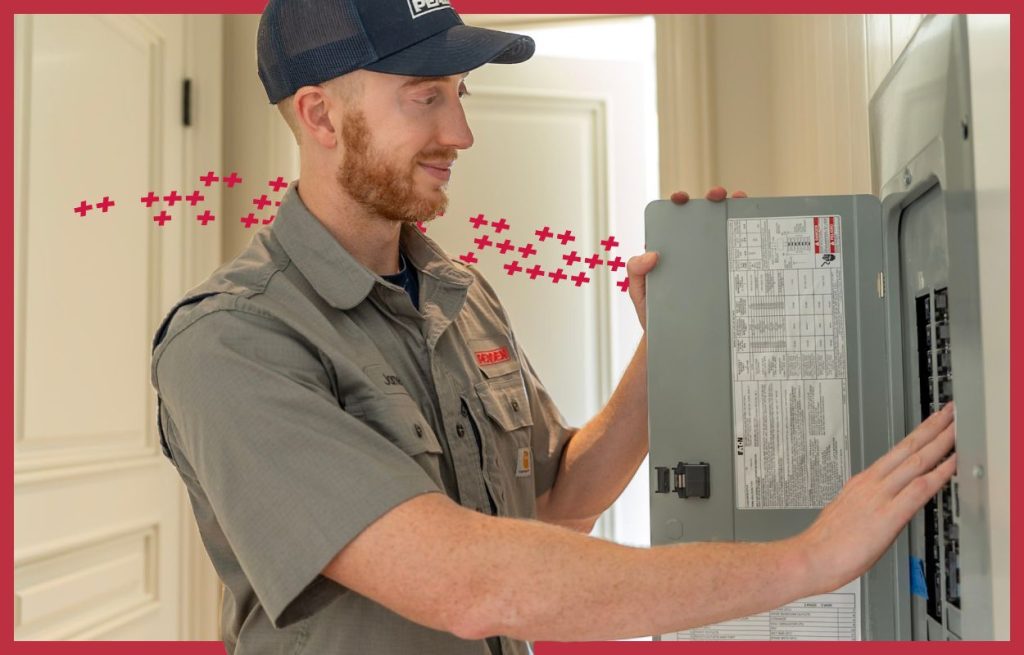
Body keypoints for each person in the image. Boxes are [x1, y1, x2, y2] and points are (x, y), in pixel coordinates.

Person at [149, 1, 958, 653]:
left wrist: (670, 345)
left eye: (459, 94)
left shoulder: (456, 292)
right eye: (425, 95)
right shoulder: (231, 343)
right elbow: (470, 584)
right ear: (321, 116)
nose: (460, 133)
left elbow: (561, 500)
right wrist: (808, 561)